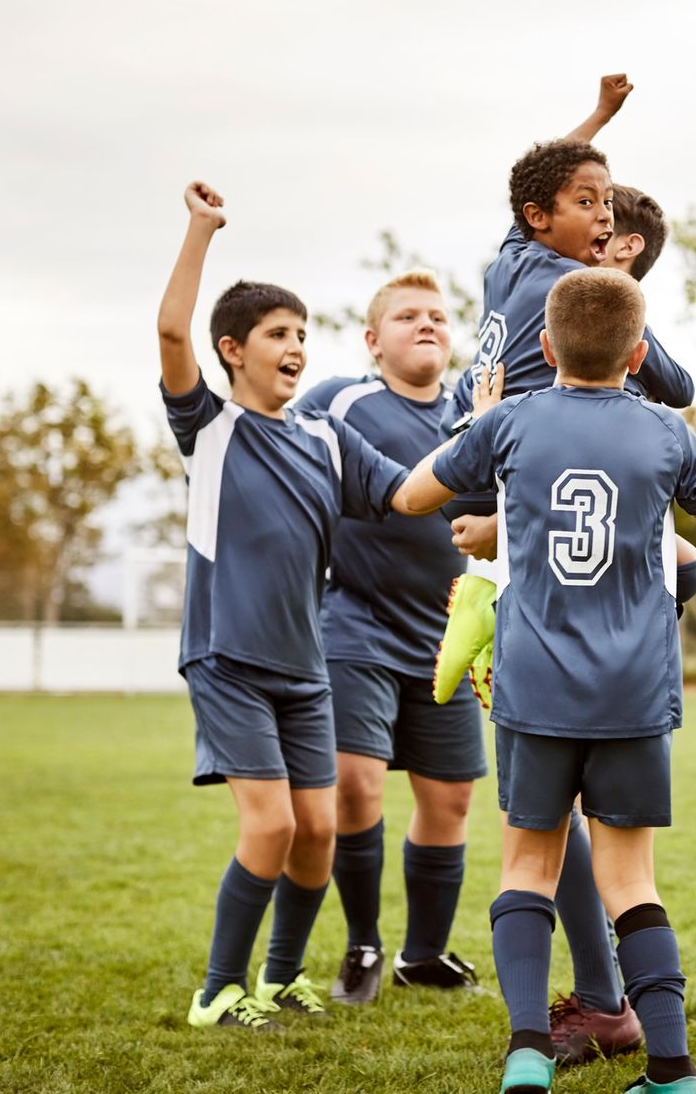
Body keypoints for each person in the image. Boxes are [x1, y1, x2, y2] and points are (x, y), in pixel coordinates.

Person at [398, 267, 696, 1094]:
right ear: (638, 356)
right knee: (631, 882)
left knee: (527, 869)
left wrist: (480, 426)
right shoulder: (666, 433)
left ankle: (527, 1055)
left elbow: (414, 496)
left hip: (536, 688)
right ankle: (673, 1072)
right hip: (634, 692)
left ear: (546, 345)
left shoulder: (511, 421)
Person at [157, 180, 427, 1029]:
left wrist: (487, 447)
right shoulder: (209, 430)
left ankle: (279, 979)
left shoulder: (326, 438)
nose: (296, 347)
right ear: (233, 350)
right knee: (270, 829)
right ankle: (218, 991)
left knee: (318, 832)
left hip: (306, 672)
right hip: (228, 658)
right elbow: (171, 332)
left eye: (303, 334)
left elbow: (410, 495)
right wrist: (202, 230)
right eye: (279, 334)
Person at [296, 271, 487, 1003]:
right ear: (373, 341)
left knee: (452, 800)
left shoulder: (477, 413)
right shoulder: (339, 401)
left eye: (437, 315)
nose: (427, 324)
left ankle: (424, 956)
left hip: (447, 636)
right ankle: (363, 947)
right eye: (407, 316)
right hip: (357, 625)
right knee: (356, 785)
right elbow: (276, 446)